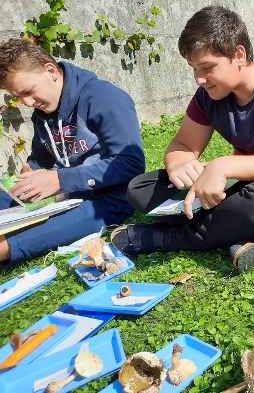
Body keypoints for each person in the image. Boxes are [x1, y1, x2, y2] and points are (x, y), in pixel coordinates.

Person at [111, 6, 254, 272]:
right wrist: (180, 164)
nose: (200, 79)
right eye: (194, 69)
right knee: (141, 189)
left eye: (207, 67)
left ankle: (167, 237)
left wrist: (223, 166)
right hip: (248, 179)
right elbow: (182, 145)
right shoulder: (209, 95)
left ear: (238, 54)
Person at [0, 38, 145, 263]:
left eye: (28, 92)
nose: (27, 103)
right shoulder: (43, 111)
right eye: (18, 97)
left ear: (51, 71)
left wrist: (60, 180)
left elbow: (131, 163)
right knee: (6, 194)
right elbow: (42, 158)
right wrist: (31, 172)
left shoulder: (104, 97)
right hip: (70, 196)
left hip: (112, 198)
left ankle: (6, 250)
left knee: (62, 225)